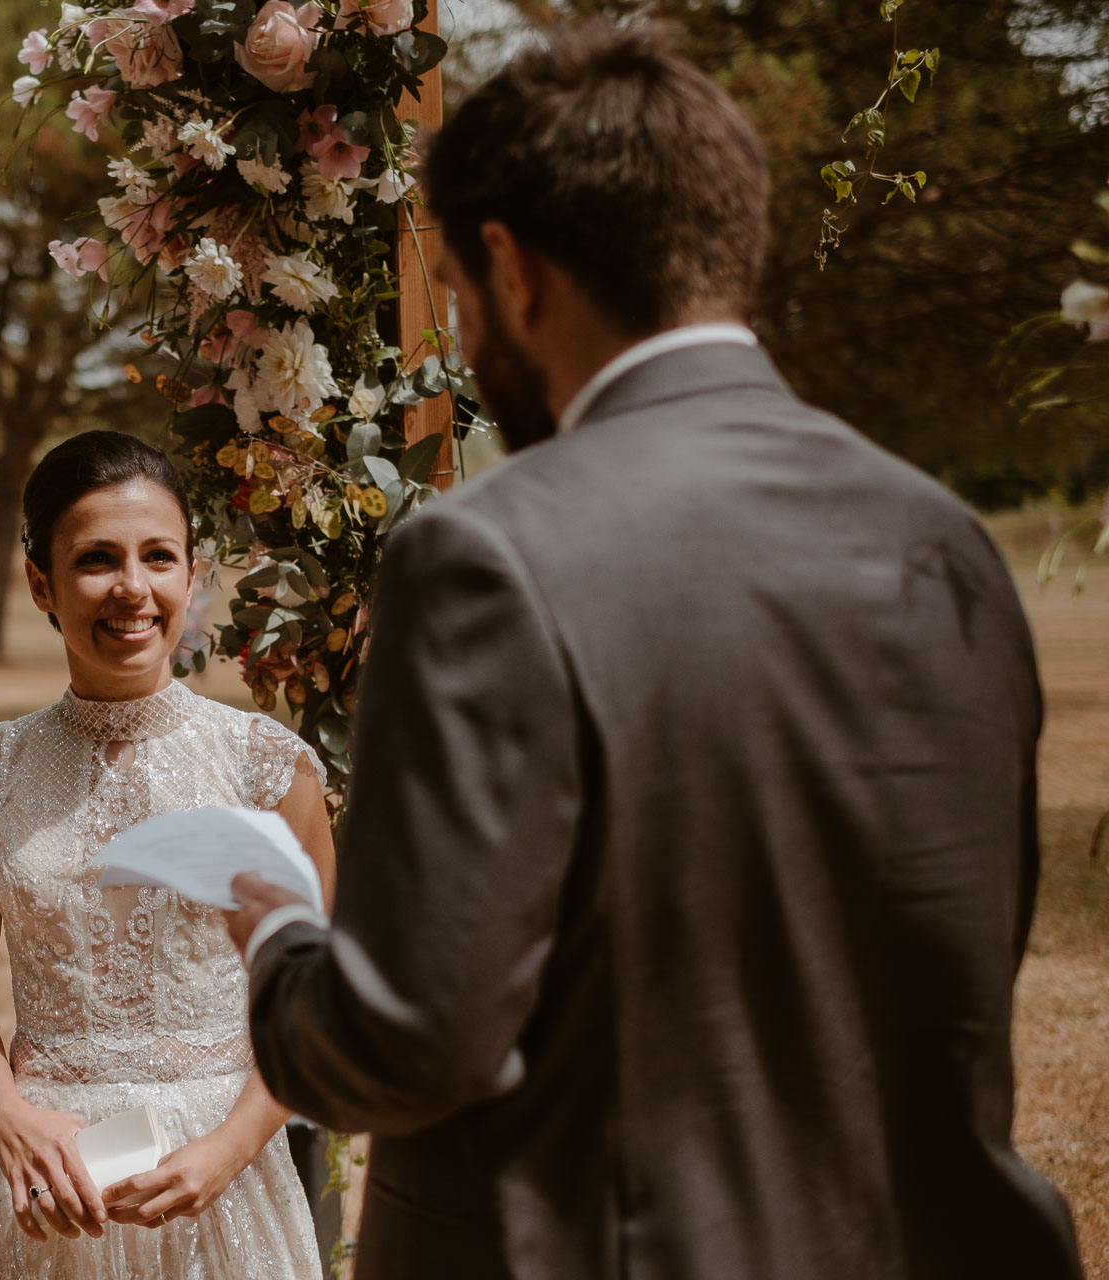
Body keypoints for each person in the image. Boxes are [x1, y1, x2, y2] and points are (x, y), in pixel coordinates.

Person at [224, 22, 1085, 1280]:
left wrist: (279, 937)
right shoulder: (943, 536)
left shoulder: (485, 557)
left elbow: (409, 1040)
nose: (465, 334)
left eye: (456, 293)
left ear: (510, 270)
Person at [0, 430, 332, 1279]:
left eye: (159, 556)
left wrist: (229, 1149)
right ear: (42, 582)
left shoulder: (267, 769)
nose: (133, 589)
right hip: (49, 1187)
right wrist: (6, 1115)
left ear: (192, 574)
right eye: (97, 560)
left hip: (225, 1185)